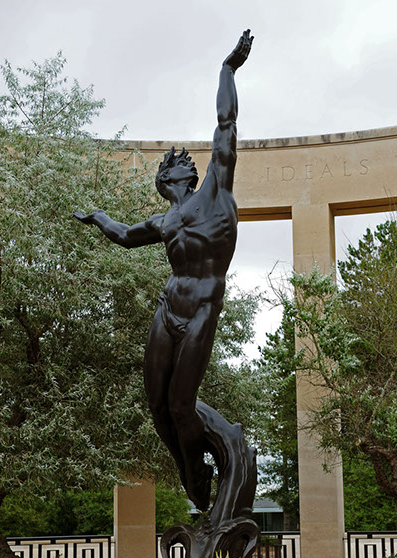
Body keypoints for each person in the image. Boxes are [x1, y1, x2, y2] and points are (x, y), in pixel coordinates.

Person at [74, 30, 254, 513]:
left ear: (182, 177)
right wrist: (97, 217)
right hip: (168, 307)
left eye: (166, 171)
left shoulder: (215, 190)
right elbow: (125, 236)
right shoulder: (165, 220)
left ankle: (204, 470)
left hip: (200, 310)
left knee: (180, 403)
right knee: (156, 404)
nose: (161, 175)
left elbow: (226, 125)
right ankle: (188, 469)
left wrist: (227, 70)